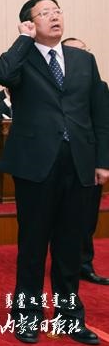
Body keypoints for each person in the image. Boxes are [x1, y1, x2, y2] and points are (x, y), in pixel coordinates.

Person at [0, 0, 109, 345]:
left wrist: (103, 161)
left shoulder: (84, 60)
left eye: (57, 11)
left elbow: (99, 114)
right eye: (45, 13)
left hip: (79, 164)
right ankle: (26, 315)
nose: (54, 16)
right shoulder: (21, 57)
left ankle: (68, 318)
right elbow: (2, 75)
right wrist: (23, 39)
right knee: (33, 245)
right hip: (35, 165)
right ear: (30, 23)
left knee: (70, 247)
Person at [62, 37, 109, 286]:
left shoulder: (99, 86)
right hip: (56, 161)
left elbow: (103, 124)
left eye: (85, 52)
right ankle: (63, 262)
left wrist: (103, 163)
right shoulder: (51, 83)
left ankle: (84, 264)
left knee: (87, 217)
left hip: (87, 160)